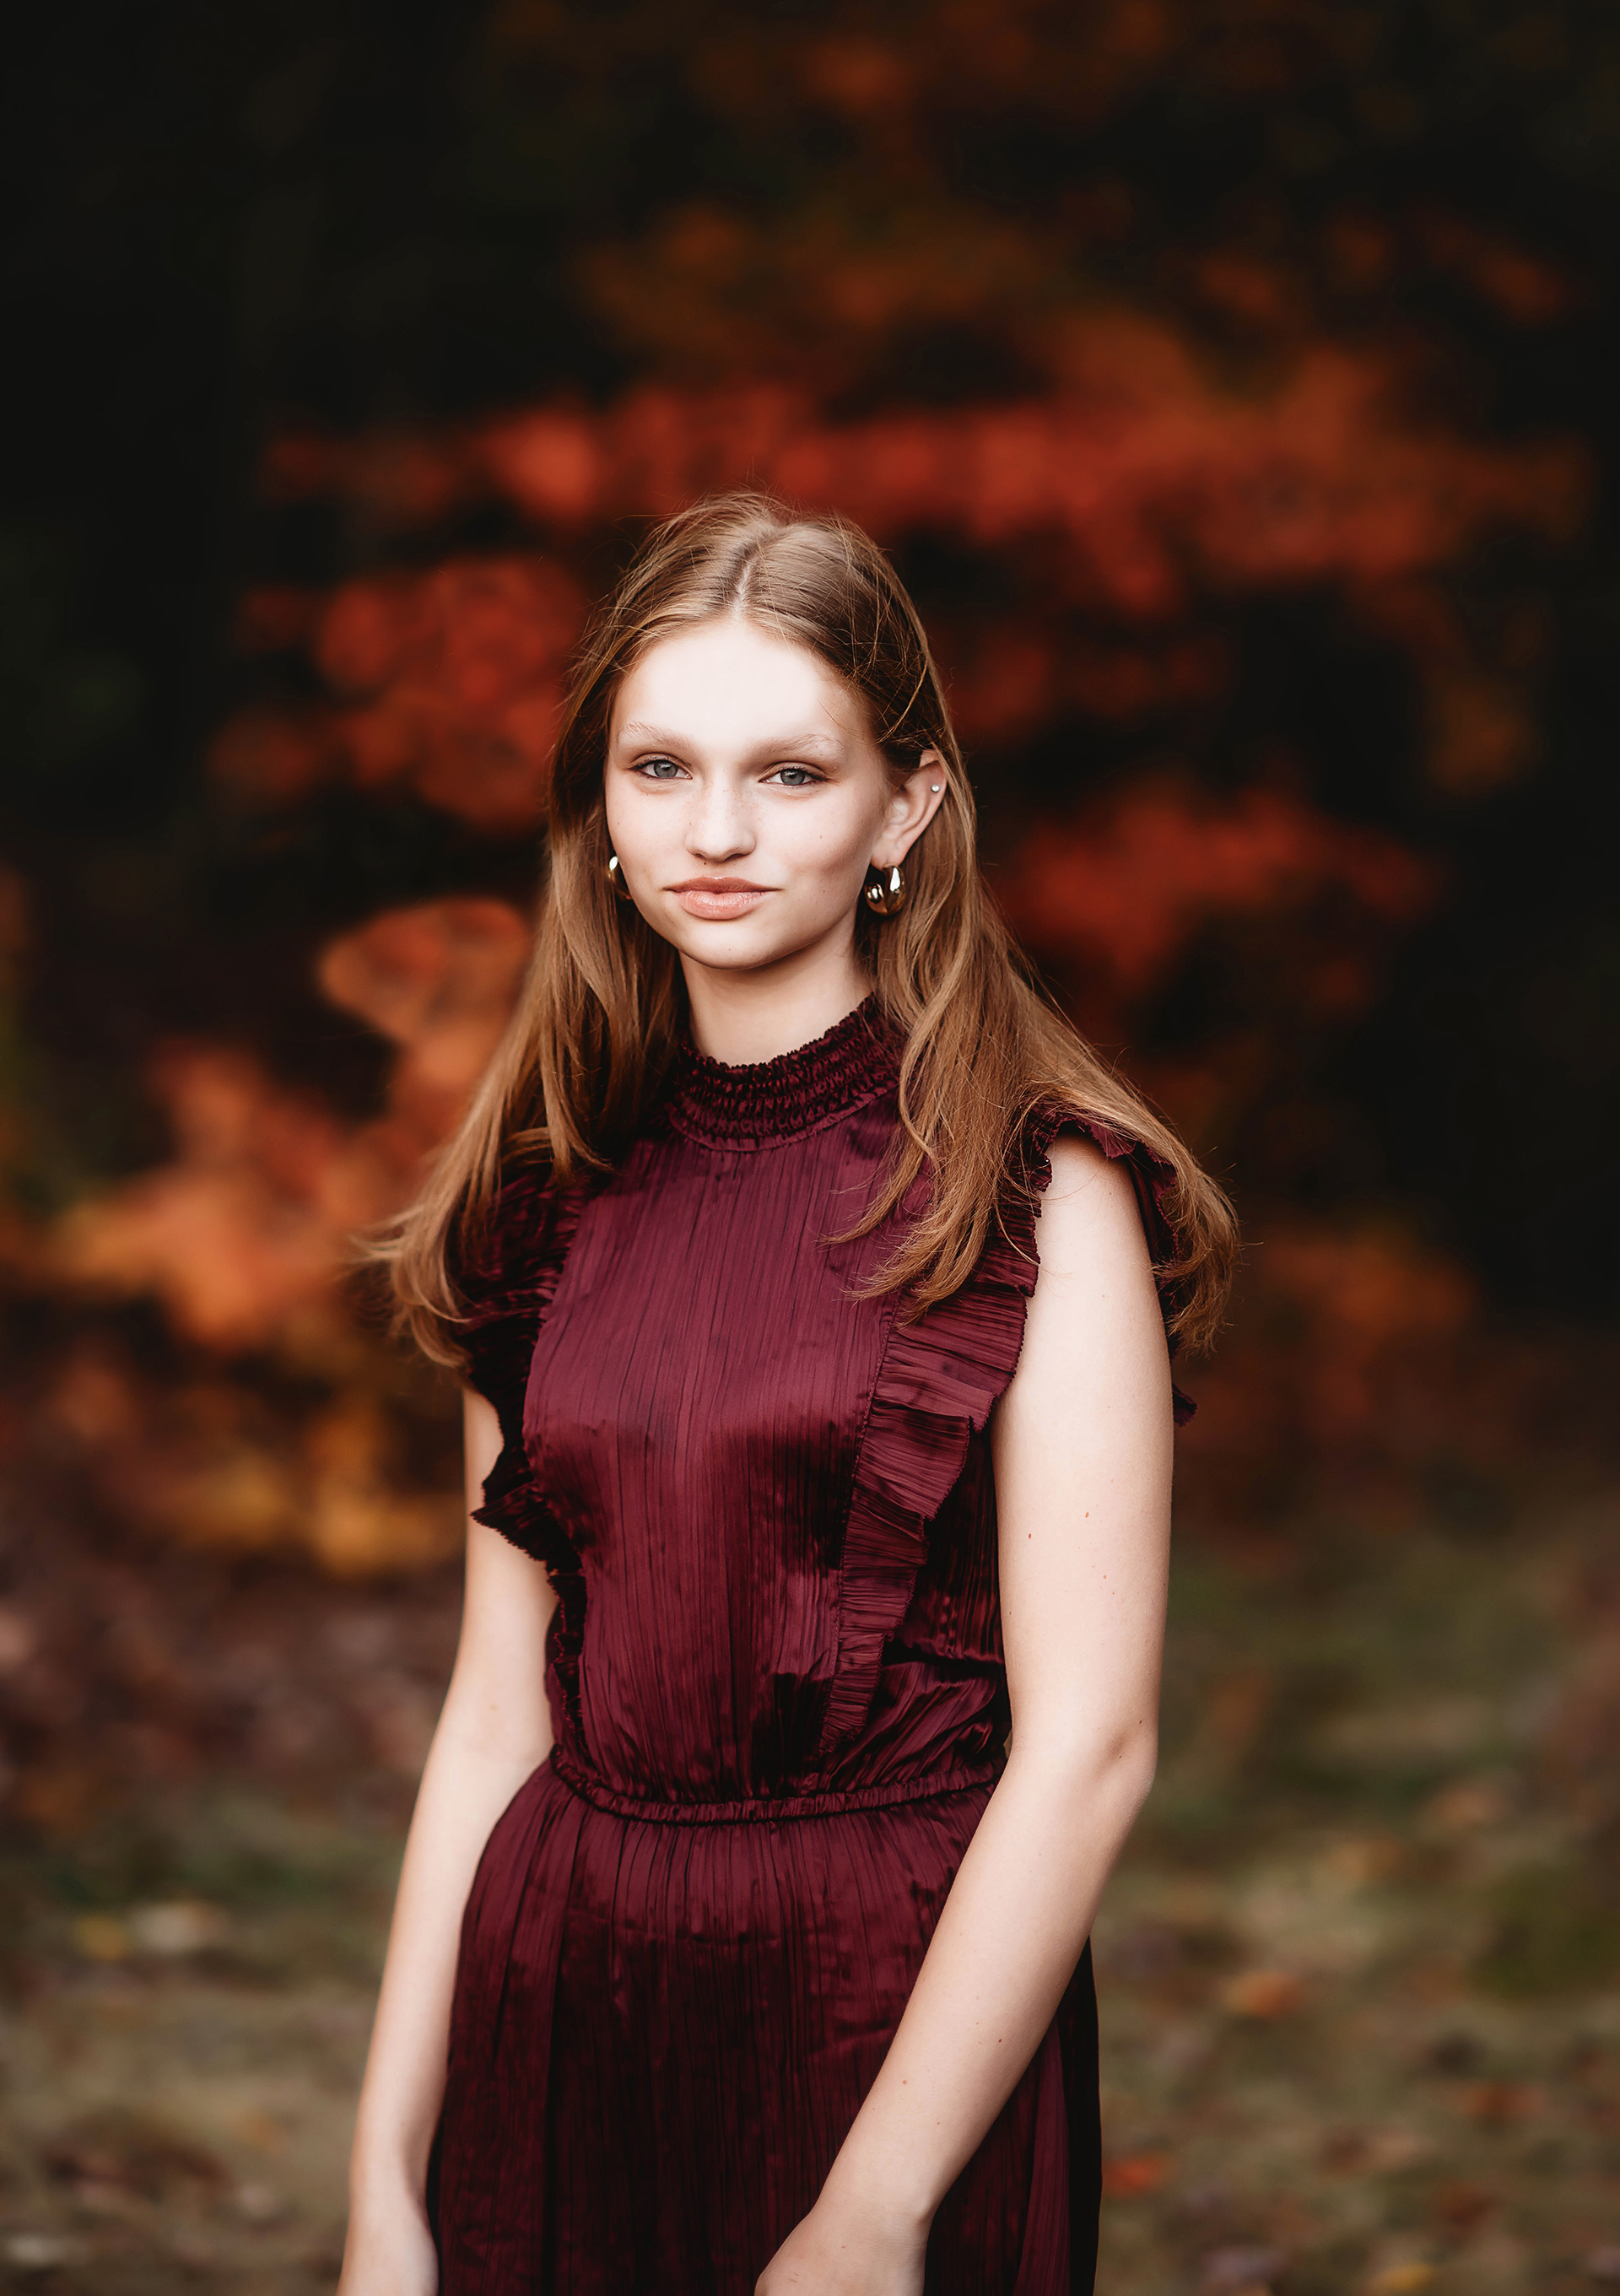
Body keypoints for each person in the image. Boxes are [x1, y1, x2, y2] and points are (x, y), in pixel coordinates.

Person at [338, 491, 1236, 2296]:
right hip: (561, 2000)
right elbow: (497, 1723)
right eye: (660, 769)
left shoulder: (1033, 1193)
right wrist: (382, 2178)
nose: (718, 835)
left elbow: (1090, 1749)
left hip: (887, 2013)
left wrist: (876, 2207)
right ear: (598, 807)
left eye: (792, 775)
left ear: (905, 806)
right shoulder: (537, 1200)